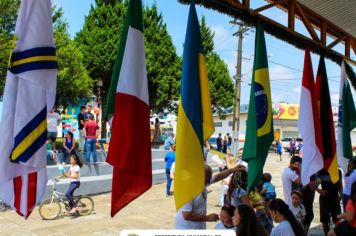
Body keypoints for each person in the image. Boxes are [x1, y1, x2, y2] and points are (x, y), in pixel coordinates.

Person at [175, 164, 243, 229]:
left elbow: (219, 176)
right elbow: (186, 215)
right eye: (207, 178)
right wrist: (207, 218)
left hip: (198, 227)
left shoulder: (203, 181)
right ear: (198, 176)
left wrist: (233, 170)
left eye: (209, 178)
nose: (209, 181)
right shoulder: (187, 190)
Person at [318, 168, 343, 235]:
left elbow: (340, 184)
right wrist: (319, 191)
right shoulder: (321, 171)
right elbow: (314, 184)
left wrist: (341, 194)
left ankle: (336, 234)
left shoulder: (338, 171)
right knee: (324, 220)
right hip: (324, 199)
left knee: (337, 218)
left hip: (335, 198)